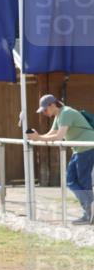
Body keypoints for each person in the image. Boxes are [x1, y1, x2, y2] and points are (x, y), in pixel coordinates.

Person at [28, 94, 94, 225]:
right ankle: (89, 210)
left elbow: (58, 137)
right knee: (71, 180)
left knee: (82, 181)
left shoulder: (66, 112)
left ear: (52, 105)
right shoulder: (60, 115)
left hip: (87, 148)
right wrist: (37, 136)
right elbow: (51, 133)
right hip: (79, 150)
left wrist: (38, 138)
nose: (44, 113)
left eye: (45, 110)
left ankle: (89, 213)